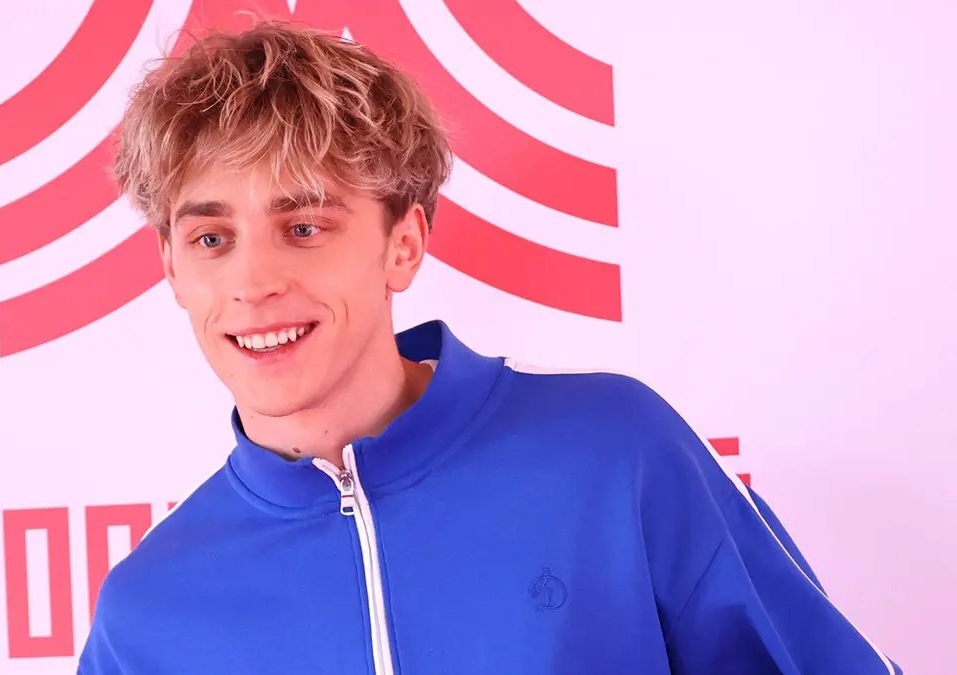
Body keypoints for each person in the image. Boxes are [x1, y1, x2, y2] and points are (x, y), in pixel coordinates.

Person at [77, 20, 901, 675]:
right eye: (212, 239)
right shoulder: (147, 613)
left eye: (303, 227)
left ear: (403, 245)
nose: (253, 283)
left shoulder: (614, 450)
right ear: (173, 269)